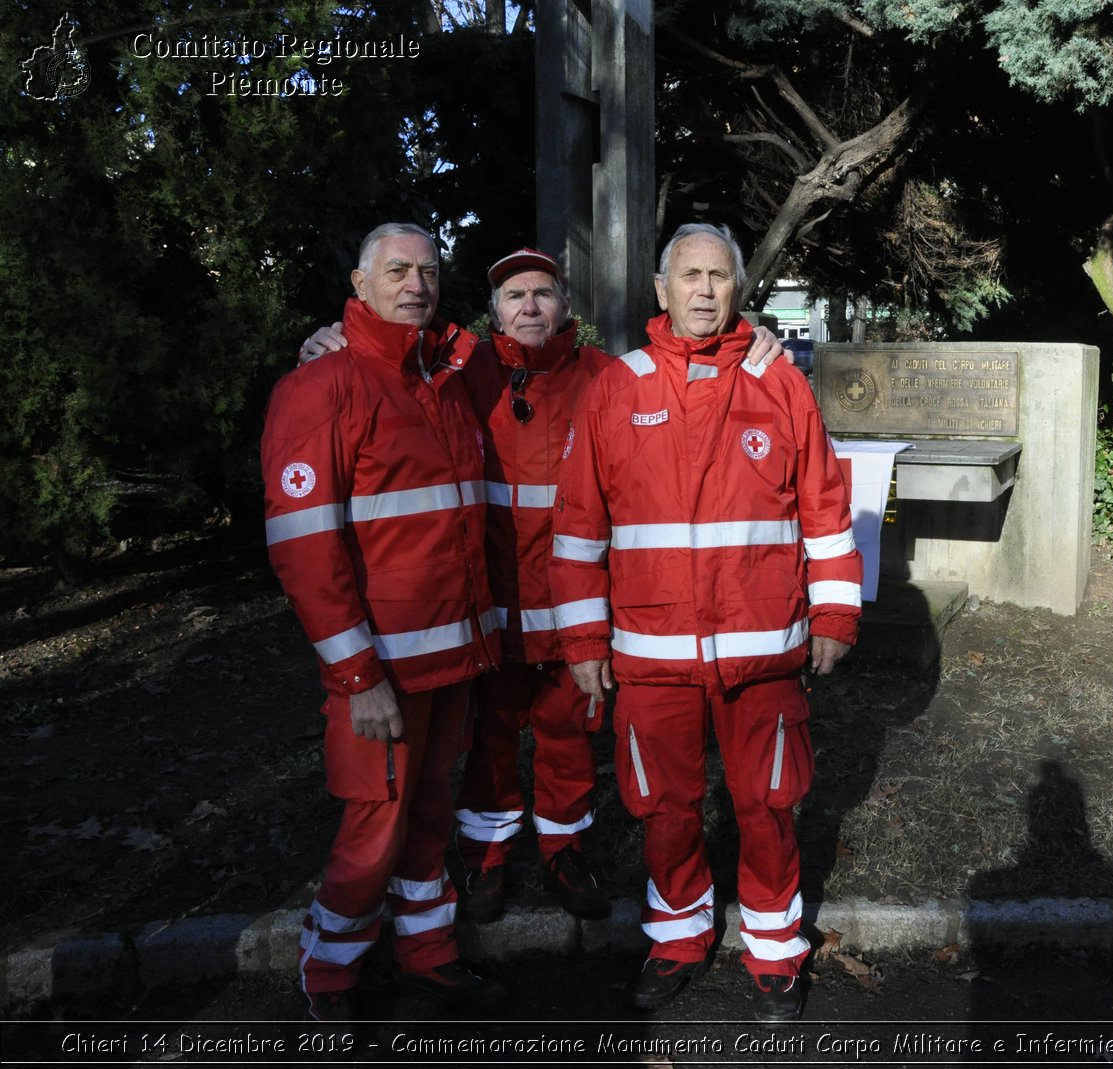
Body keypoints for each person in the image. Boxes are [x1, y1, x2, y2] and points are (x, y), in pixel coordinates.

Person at [298, 250, 786, 926]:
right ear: (493, 310)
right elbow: (392, 357)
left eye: (544, 293)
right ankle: (486, 856)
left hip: (569, 608)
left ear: (567, 307)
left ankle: (565, 848)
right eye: (515, 294)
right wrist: (330, 340)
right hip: (487, 610)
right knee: (491, 738)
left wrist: (754, 336)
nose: (530, 307)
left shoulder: (608, 377)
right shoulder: (460, 371)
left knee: (567, 736)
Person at [550, 222, 861, 1024]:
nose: (703, 291)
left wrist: (833, 612)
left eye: (718, 276)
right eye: (689, 275)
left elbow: (826, 511)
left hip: (764, 652)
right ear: (661, 289)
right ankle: (678, 935)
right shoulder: (618, 388)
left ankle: (775, 949)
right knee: (665, 809)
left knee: (768, 805)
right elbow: (579, 527)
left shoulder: (779, 383)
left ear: (737, 288)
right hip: (651, 658)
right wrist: (584, 641)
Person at [261, 223, 505, 1021]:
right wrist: (356, 674)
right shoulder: (320, 386)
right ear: (360, 286)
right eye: (397, 271)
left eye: (429, 271)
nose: (416, 284)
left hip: (451, 656)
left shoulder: (444, 375)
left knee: (430, 810)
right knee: (374, 824)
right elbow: (304, 549)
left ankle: (427, 951)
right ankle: (330, 972)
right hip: (382, 671)